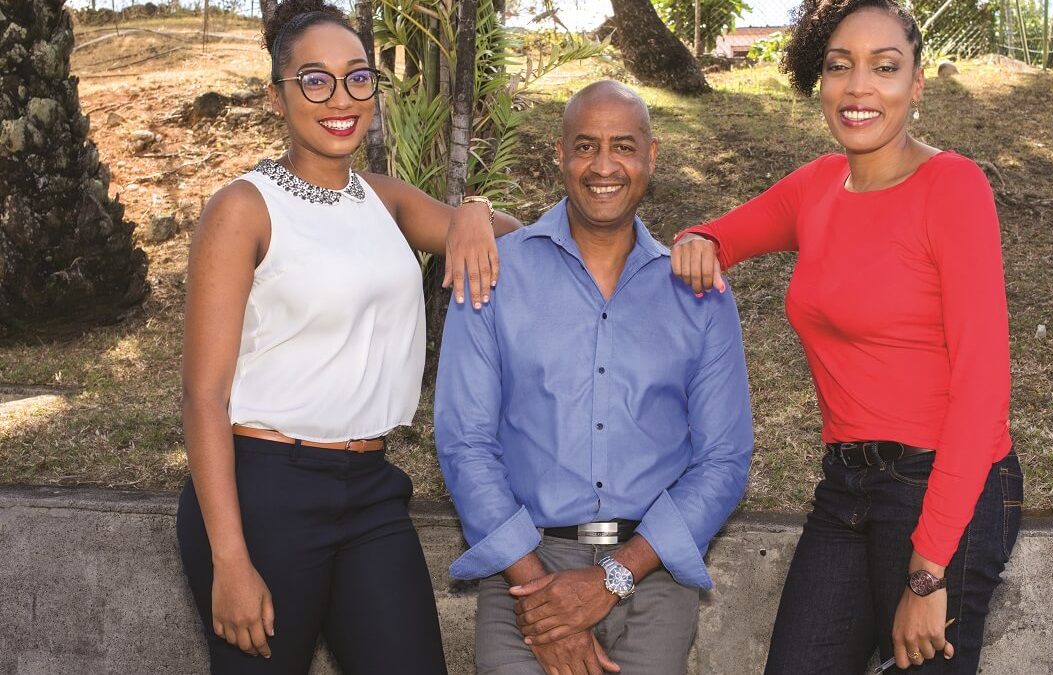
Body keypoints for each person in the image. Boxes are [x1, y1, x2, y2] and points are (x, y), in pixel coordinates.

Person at [671, 1, 1022, 673]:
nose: (859, 87)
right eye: (840, 66)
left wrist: (929, 571)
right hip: (846, 486)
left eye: (884, 67)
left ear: (916, 84)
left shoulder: (953, 187)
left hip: (945, 488)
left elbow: (982, 390)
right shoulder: (818, 186)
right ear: (821, 80)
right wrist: (698, 240)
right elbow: (719, 235)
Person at [175, 1, 521, 672]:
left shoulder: (385, 200)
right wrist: (230, 559)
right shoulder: (244, 208)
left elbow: (519, 243)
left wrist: (474, 209)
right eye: (315, 80)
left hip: (370, 491)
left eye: (358, 77)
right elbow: (202, 395)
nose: (341, 98)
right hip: (264, 492)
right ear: (277, 96)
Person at [434, 80, 755, 675]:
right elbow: (464, 443)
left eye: (623, 147)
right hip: (524, 568)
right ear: (561, 155)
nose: (604, 166)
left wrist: (614, 576)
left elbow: (725, 458)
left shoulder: (698, 292)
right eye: (586, 146)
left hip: (652, 572)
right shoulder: (494, 272)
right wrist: (540, 596)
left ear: (650, 157)